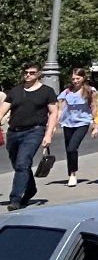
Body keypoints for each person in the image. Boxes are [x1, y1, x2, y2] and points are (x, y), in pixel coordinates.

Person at [3, 61, 59, 210]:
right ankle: (30, 189)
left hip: (34, 131)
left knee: (22, 163)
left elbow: (53, 113)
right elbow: (3, 109)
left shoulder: (47, 91)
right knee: (18, 164)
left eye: (32, 72)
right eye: (26, 72)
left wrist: (48, 135)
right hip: (13, 132)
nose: (28, 75)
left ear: (39, 74)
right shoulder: (16, 90)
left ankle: (15, 199)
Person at [57, 68, 96, 186]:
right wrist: (54, 124)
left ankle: (73, 172)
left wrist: (95, 124)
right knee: (68, 150)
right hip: (68, 123)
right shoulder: (67, 92)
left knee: (72, 148)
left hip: (82, 122)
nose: (75, 81)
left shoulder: (89, 91)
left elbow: (94, 107)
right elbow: (61, 108)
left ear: (83, 78)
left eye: (78, 78)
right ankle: (71, 174)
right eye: (73, 79)